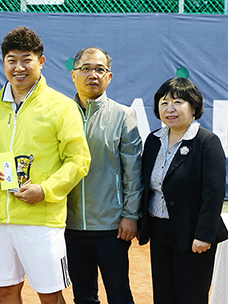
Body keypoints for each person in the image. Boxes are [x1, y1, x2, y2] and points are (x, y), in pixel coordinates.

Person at [0, 26, 90, 304]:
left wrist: (46, 190)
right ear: (3, 62)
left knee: (50, 294)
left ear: (41, 61)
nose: (19, 67)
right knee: (5, 291)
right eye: (12, 60)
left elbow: (78, 159)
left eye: (26, 59)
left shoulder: (62, 106)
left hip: (42, 219)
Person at [138, 77, 228, 304]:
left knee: (191, 296)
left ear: (194, 107)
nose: (170, 109)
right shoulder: (153, 140)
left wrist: (203, 235)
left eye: (178, 102)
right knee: (163, 294)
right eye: (164, 102)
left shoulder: (206, 142)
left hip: (192, 234)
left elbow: (214, 193)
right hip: (159, 230)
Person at [66, 47, 143, 304]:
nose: (93, 75)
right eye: (86, 68)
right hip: (69, 226)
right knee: (83, 297)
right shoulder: (61, 113)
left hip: (113, 228)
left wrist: (130, 215)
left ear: (109, 77)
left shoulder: (123, 115)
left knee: (120, 296)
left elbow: (133, 171)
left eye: (100, 69)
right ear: (73, 75)